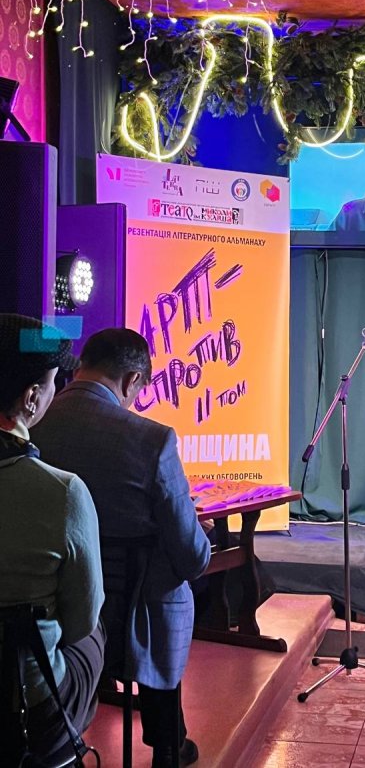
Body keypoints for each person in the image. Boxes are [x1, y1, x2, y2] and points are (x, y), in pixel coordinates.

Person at [32, 328, 212, 768]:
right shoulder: (153, 439)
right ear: (132, 380)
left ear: (82, 365)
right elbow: (192, 557)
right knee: (173, 582)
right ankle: (167, 744)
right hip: (134, 621)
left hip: (60, 613)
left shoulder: (35, 423)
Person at [0, 313, 105, 765]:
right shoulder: (63, 492)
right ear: (30, 398)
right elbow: (80, 623)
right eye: (53, 384)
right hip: (24, 708)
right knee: (95, 630)